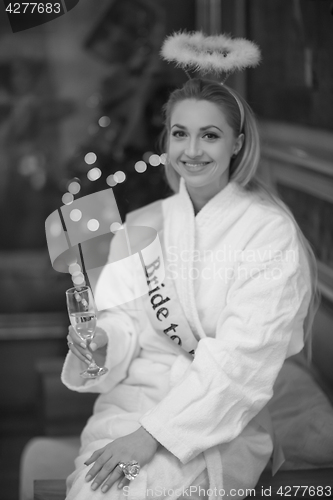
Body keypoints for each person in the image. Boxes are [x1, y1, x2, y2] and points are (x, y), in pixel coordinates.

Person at [62, 76, 318, 500]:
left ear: (236, 144)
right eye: (180, 134)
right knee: (95, 489)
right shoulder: (143, 222)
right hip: (130, 406)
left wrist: (151, 436)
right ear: (167, 140)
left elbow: (242, 364)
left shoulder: (269, 235)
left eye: (210, 136)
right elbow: (122, 317)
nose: (193, 151)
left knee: (129, 492)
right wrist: (104, 340)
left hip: (214, 423)